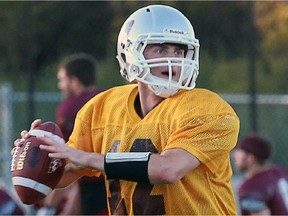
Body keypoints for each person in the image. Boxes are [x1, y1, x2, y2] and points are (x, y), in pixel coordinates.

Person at [14, 5, 240, 215]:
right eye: (161, 49)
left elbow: (168, 169)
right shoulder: (102, 107)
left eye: (179, 52)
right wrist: (38, 153)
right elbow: (65, 173)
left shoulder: (208, 109)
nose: (173, 59)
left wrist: (86, 157)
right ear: (130, 53)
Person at [35, 53, 107, 215]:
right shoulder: (107, 98)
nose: (60, 85)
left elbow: (66, 159)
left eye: (62, 80)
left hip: (90, 181)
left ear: (74, 81)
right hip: (115, 174)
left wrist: (49, 206)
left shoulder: (69, 108)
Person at [232, 133, 288, 215]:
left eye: (240, 151)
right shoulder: (281, 172)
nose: (235, 154)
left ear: (250, 158)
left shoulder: (251, 187)